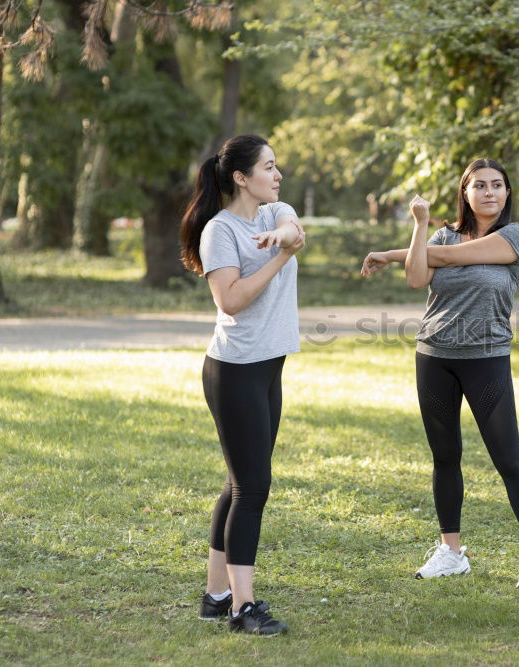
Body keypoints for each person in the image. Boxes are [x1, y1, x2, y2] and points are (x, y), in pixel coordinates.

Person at [360, 158, 519, 590]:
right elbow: (417, 277)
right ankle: (451, 552)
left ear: (507, 193)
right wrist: (419, 226)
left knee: (509, 459)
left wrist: (391, 253)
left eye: (498, 185)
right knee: (445, 456)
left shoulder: (515, 236)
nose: (490, 192)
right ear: (465, 192)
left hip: (486, 357)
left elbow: (446, 258)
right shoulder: (441, 233)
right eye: (480, 185)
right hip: (434, 356)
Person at [179, 134, 305, 636]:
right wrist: (278, 259)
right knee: (253, 487)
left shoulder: (277, 210)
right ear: (240, 177)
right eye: (269, 167)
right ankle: (242, 607)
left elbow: (293, 228)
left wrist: (284, 238)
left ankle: (216, 595)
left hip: (267, 367)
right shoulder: (219, 231)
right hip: (233, 371)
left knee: (238, 483)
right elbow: (230, 300)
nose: (277, 176)